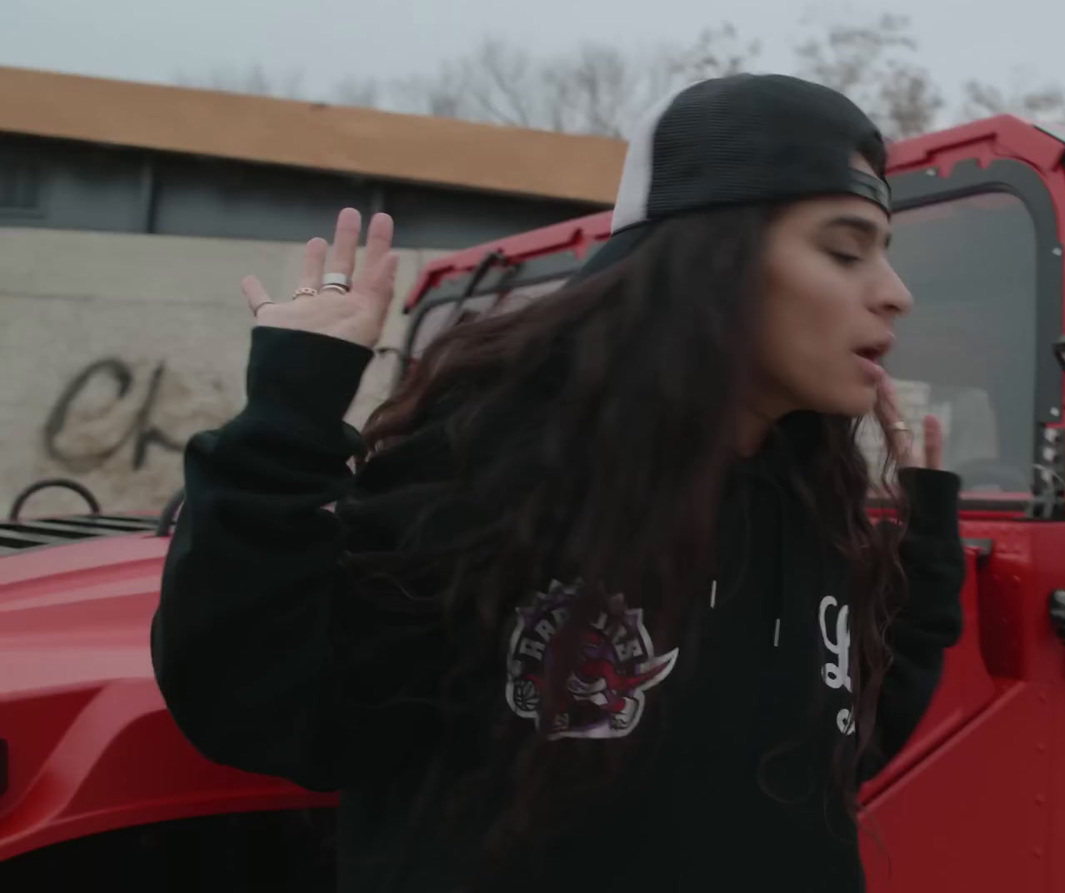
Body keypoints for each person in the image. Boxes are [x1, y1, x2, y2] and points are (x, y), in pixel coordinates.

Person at [152, 74, 966, 893]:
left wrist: (927, 544)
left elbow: (842, 752)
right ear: (710, 259)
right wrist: (287, 418)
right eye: (845, 249)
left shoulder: (811, 508)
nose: (895, 292)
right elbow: (271, 707)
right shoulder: (502, 466)